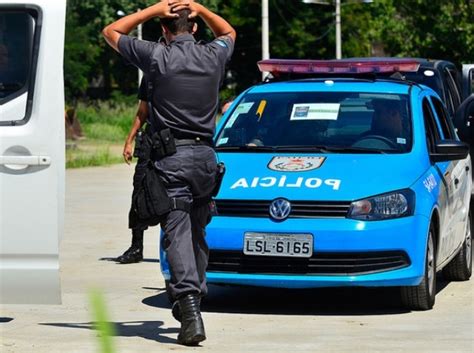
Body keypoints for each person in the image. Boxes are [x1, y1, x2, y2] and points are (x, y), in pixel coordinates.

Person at [102, 0, 235, 346]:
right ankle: (192, 295)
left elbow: (111, 32)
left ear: (163, 30)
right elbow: (229, 32)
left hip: (171, 158)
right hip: (206, 157)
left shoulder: (157, 56)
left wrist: (152, 9)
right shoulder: (212, 55)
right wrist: (202, 9)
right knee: (196, 232)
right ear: (194, 29)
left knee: (176, 232)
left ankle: (189, 308)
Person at [115, 78, 151, 264]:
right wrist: (129, 141)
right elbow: (143, 111)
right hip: (151, 142)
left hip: (176, 144)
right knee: (139, 193)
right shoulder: (151, 73)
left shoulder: (187, 67)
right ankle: (136, 247)